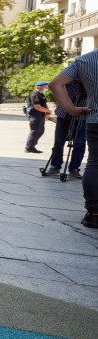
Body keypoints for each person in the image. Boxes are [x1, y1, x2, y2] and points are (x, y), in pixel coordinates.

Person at [50, 49, 98, 228]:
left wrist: (71, 109)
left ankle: (94, 213)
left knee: (95, 164)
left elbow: (55, 84)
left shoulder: (85, 60)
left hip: (95, 120)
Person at [44, 78, 87, 179]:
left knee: (80, 144)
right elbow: (54, 85)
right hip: (64, 113)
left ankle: (74, 169)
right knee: (59, 142)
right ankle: (55, 166)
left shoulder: (91, 79)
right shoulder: (70, 77)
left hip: (83, 115)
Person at [25, 80, 52, 154]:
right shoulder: (34, 95)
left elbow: (44, 105)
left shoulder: (41, 95)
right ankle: (29, 147)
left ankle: (31, 146)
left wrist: (47, 112)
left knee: (40, 131)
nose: (47, 88)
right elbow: (37, 106)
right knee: (35, 131)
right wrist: (49, 111)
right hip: (35, 115)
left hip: (40, 115)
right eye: (45, 86)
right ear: (39, 87)